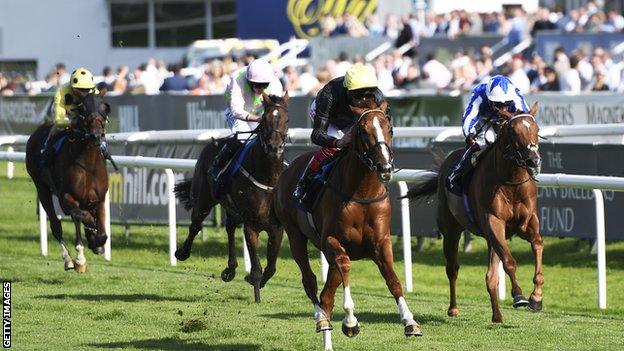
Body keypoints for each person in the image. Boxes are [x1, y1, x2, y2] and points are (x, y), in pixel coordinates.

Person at [293, 63, 385, 200]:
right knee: (333, 149)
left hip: (351, 119)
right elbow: (317, 135)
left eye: (367, 94)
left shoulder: (377, 96)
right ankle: (304, 181)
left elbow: (385, 125)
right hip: (330, 118)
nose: (363, 100)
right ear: (347, 91)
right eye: (358, 95)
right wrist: (338, 142)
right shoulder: (329, 94)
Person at [446, 75, 529, 196]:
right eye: (498, 104)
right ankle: (458, 171)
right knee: (484, 143)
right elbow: (470, 117)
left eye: (507, 104)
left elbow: (525, 118)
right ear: (489, 99)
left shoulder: (515, 95)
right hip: (484, 120)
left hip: (508, 121)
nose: (503, 108)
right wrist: (469, 134)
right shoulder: (480, 94)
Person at [208, 59, 283, 183]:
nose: (260, 88)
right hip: (237, 114)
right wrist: (258, 119)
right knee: (242, 137)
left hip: (260, 114)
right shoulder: (237, 78)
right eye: (256, 84)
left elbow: (276, 110)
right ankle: (218, 165)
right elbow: (236, 110)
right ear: (248, 80)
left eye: (264, 85)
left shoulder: (275, 84)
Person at [40, 68, 109, 191]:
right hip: (67, 115)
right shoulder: (62, 91)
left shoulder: (94, 91)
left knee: (99, 134)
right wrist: (73, 122)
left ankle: (104, 152)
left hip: (85, 118)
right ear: (73, 87)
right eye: (81, 90)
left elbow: (102, 114)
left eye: (87, 90)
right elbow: (58, 120)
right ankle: (47, 153)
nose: (85, 93)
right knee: (56, 131)